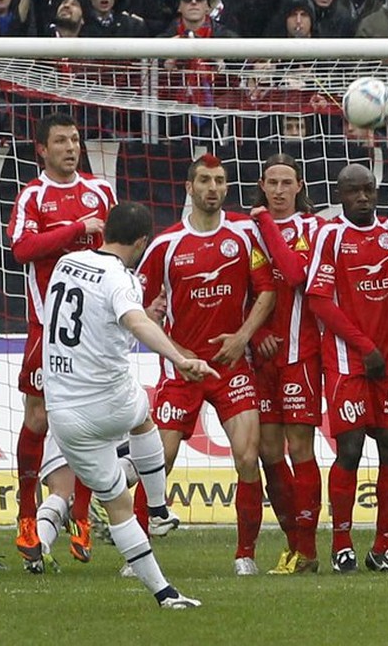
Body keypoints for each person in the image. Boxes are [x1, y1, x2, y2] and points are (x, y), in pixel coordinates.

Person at [39, 202, 209, 608]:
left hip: (63, 413)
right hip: (109, 400)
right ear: (142, 242)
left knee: (117, 507)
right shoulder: (123, 279)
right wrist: (179, 358)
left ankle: (165, 593)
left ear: (104, 231)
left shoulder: (67, 263)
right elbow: (135, 321)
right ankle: (159, 507)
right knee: (144, 420)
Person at [137, 153, 276, 575]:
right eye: (204, 181)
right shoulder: (165, 245)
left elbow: (266, 291)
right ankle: (137, 551)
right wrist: (176, 353)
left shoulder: (245, 234)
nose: (212, 188)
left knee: (247, 458)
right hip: (182, 368)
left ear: (227, 187)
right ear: (189, 188)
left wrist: (242, 338)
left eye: (219, 181)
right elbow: (138, 309)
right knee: (159, 460)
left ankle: (245, 555)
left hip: (231, 366)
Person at [7, 112, 116, 565]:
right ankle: (26, 513)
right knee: (38, 420)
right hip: (48, 329)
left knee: (91, 422)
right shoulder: (32, 197)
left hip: (94, 330)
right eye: (60, 141)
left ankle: (84, 517)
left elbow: (117, 251)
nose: (70, 147)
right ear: (42, 149)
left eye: (74, 140)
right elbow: (21, 250)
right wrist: (76, 230)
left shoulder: (101, 191)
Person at [303, 164, 388, 573]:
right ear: (340, 195)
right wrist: (364, 346)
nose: (363, 197)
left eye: (369, 190)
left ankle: (383, 546)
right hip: (347, 362)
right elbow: (318, 299)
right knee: (349, 451)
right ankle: (341, 544)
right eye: (354, 191)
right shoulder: (330, 236)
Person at [248, 154, 326, 575]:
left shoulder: (313, 229)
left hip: (301, 356)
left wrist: (264, 225)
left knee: (300, 449)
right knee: (267, 451)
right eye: (272, 183)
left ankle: (309, 549)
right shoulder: (244, 233)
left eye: (286, 183)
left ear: (298, 187)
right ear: (262, 184)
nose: (278, 191)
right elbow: (240, 290)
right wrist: (256, 335)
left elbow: (296, 275)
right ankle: (294, 546)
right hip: (259, 358)